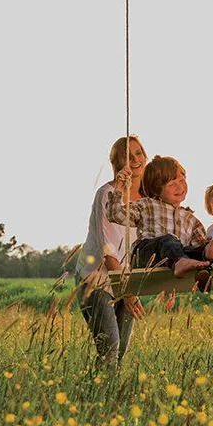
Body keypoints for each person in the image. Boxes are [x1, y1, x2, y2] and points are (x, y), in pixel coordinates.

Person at [106, 156, 213, 290]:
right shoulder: (146, 204)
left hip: (178, 260)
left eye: (182, 180)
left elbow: (197, 244)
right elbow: (115, 215)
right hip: (148, 255)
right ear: (156, 189)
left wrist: (205, 250)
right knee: (169, 240)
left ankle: (207, 258)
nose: (180, 187)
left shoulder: (190, 219)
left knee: (198, 250)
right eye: (172, 184)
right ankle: (180, 261)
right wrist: (119, 188)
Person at [75, 136, 146, 366]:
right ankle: (95, 398)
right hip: (96, 280)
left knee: (120, 352)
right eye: (126, 156)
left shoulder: (148, 202)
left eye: (138, 153)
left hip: (127, 282)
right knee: (110, 349)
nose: (134, 159)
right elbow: (108, 251)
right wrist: (127, 293)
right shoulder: (106, 195)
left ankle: (108, 397)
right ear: (117, 163)